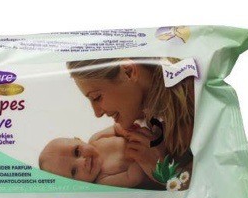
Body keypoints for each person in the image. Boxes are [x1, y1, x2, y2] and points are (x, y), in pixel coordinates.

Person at [66, 57, 194, 186]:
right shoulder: (149, 117)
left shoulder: (194, 104)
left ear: (129, 71)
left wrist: (163, 172)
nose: (97, 113)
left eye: (97, 97)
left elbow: (203, 187)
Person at [39, 134, 157, 188]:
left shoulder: (97, 139)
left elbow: (116, 128)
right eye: (74, 171)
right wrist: (140, 156)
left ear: (79, 139)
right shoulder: (103, 180)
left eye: (77, 152)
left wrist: (127, 132)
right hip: (155, 164)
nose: (82, 162)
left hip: (151, 136)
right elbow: (134, 178)